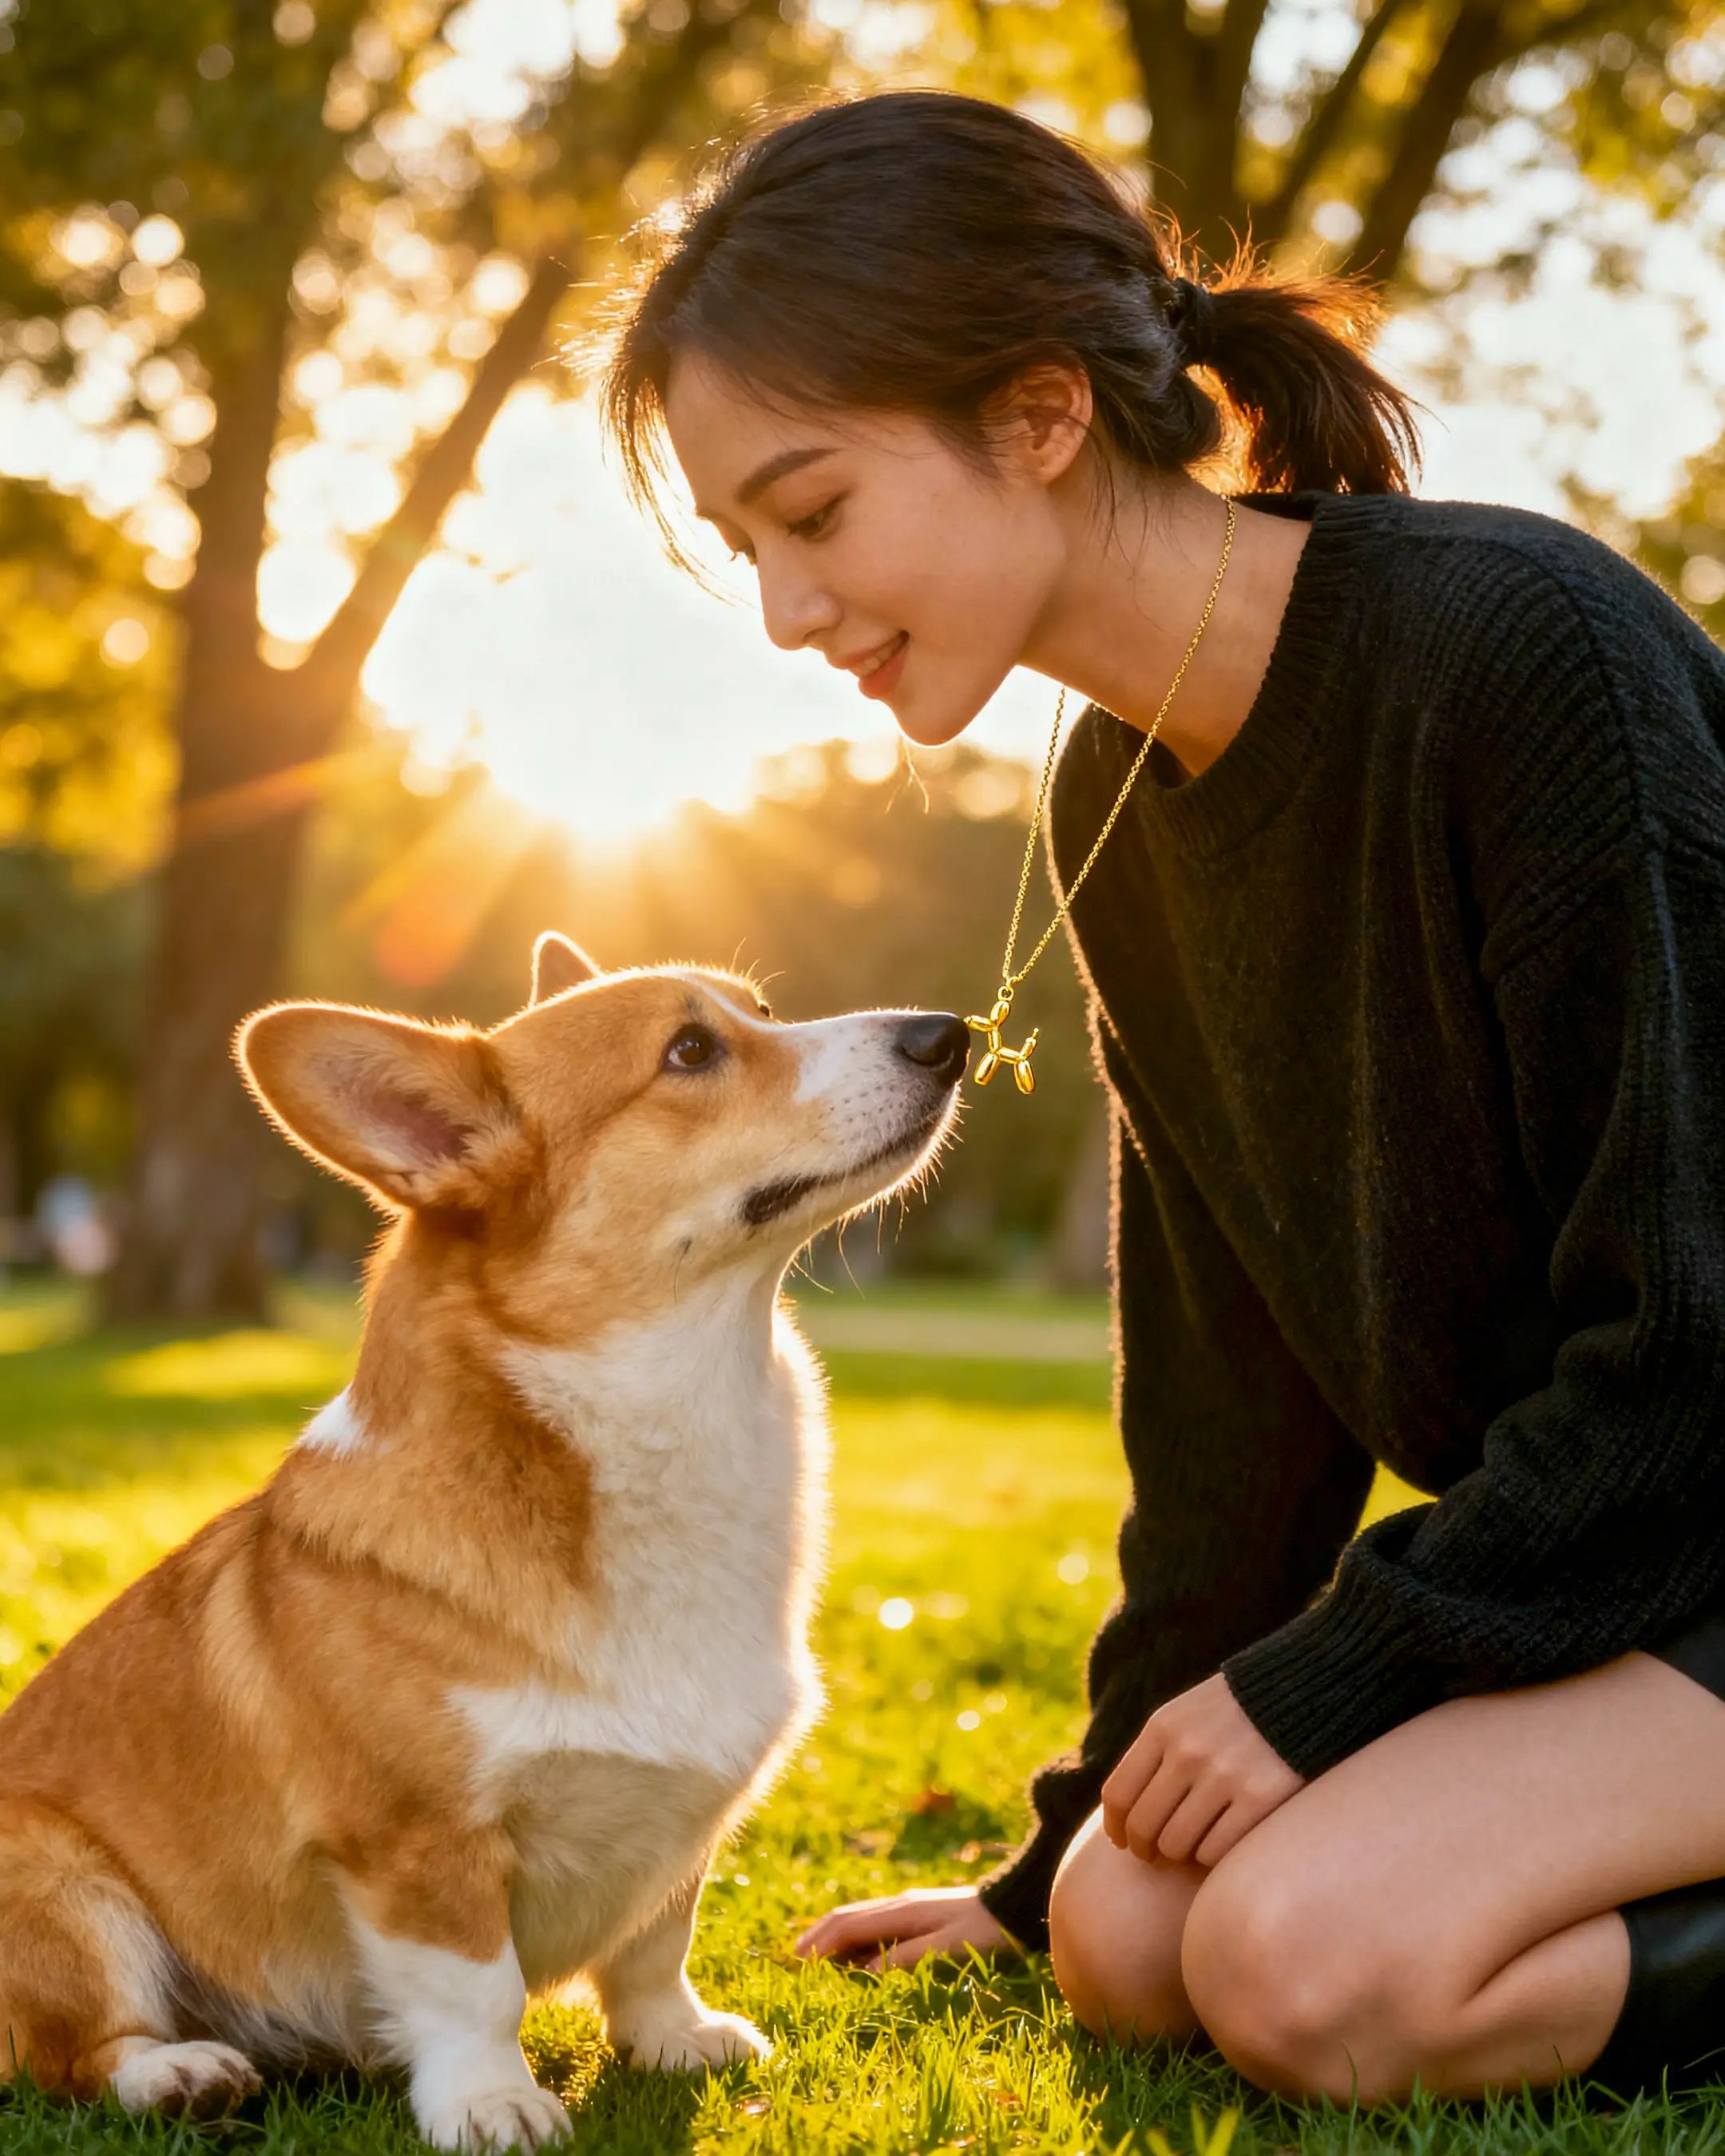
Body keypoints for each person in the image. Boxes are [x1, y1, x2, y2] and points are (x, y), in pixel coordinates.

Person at [597, 88, 1725, 2104]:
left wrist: (1334, 1685)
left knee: (1305, 1972)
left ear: (1038, 417)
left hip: (1705, 1506)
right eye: (749, 543)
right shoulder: (1112, 792)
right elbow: (1230, 1426)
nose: (784, 607)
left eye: (816, 510)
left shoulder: (1524, 656)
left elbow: (1693, 1349)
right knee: (1133, 1943)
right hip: (1608, 1564)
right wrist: (1045, 1876)